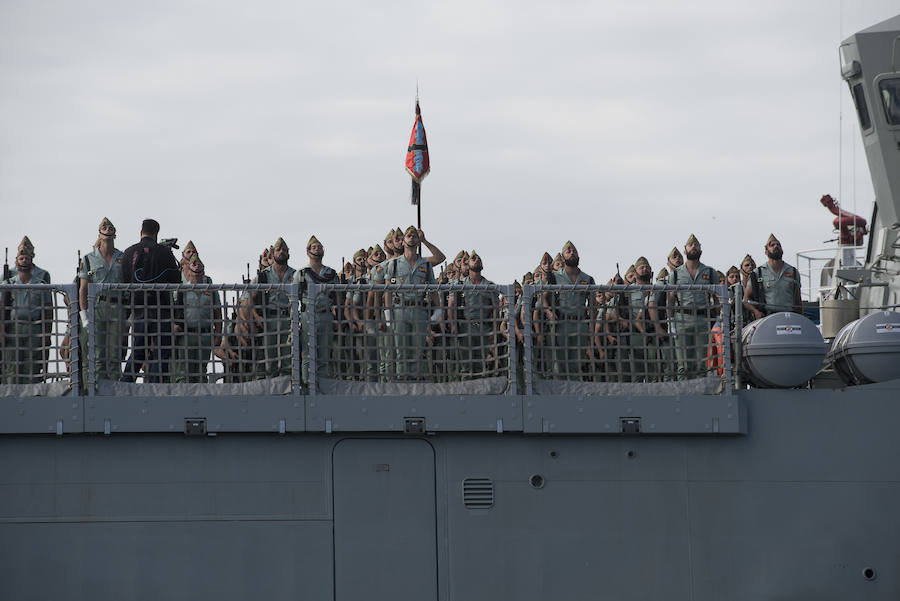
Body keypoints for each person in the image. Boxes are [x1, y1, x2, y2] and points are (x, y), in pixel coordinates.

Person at [120, 219, 181, 383]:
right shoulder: (164, 252)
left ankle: (126, 383)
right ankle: (155, 387)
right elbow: (176, 281)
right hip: (162, 310)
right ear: (156, 234)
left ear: (141, 232)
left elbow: (124, 282)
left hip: (139, 310)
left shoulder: (128, 253)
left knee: (138, 350)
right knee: (161, 353)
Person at [382, 226, 440, 380]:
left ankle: (416, 383)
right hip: (400, 309)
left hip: (419, 309)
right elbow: (388, 289)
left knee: (418, 350)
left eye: (414, 236)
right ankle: (403, 381)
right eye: (408, 236)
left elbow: (433, 289)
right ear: (403, 241)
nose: (411, 238)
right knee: (401, 350)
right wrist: (388, 312)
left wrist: (438, 310)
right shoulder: (393, 264)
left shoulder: (426, 264)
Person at [78, 217, 125, 384]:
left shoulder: (122, 257)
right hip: (97, 306)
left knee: (114, 354)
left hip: (118, 306)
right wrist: (84, 314)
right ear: (99, 235)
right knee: (97, 354)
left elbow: (128, 286)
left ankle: (113, 389)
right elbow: (83, 288)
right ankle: (96, 389)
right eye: (104, 229)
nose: (108, 231)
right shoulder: (89, 259)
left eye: (110, 229)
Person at [667, 234, 720, 380]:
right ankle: (683, 397)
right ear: (685, 250)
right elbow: (670, 299)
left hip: (703, 320)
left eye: (696, 245)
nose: (694, 247)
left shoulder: (709, 272)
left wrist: (718, 318)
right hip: (682, 319)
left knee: (702, 364)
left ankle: (701, 397)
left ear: (701, 249)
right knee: (683, 365)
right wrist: (670, 322)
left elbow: (716, 297)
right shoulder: (676, 274)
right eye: (690, 245)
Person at [1, 236, 52, 384]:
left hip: (34, 326)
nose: (24, 260)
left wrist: (46, 334)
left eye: (27, 257)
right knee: (11, 367)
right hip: (13, 327)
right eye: (21, 257)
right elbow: (2, 304)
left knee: (32, 367)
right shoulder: (8, 279)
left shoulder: (41, 278)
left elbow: (48, 308)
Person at [296, 235, 338, 386]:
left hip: (325, 315)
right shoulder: (301, 274)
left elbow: (337, 297)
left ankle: (323, 382)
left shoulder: (331, 274)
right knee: (308, 352)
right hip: (308, 315)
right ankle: (308, 383)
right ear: (308, 252)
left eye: (320, 247)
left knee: (324, 352)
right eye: (314, 247)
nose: (317, 249)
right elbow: (294, 299)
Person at [173, 255, 222, 383]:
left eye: (200, 267)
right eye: (193, 266)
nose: (197, 270)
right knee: (184, 370)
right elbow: (175, 310)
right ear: (188, 271)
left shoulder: (210, 290)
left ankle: (201, 397)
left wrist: (218, 333)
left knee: (201, 370)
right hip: (187, 333)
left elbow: (217, 312)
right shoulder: (182, 290)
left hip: (205, 334)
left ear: (204, 272)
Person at [553, 241, 597, 380]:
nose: (572, 254)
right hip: (561, 324)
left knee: (575, 365)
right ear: (562, 256)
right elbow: (544, 299)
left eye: (575, 252)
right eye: (569, 252)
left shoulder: (588, 279)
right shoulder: (554, 277)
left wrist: (592, 329)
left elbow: (593, 306)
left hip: (580, 325)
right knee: (559, 366)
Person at [455, 251, 497, 379]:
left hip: (484, 328)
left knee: (480, 366)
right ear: (467, 265)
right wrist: (453, 326)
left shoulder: (490, 286)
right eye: (473, 258)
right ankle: (465, 395)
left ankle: (479, 396)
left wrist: (494, 331)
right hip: (465, 327)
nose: (477, 260)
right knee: (466, 366)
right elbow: (451, 306)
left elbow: (496, 310)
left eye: (479, 258)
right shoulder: (460, 285)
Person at [742, 233, 802, 319]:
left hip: (789, 317)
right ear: (766, 252)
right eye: (772, 245)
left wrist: (800, 318)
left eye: (778, 245)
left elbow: (798, 300)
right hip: (767, 318)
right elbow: (745, 300)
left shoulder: (793, 272)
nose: (776, 246)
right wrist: (756, 312)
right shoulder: (758, 273)